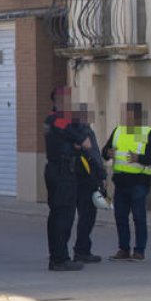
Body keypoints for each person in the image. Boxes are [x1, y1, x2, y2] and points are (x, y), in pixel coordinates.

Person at [103, 102, 151, 261]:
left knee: (139, 217)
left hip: (139, 182)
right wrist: (107, 153)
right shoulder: (118, 131)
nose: (126, 118)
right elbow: (105, 151)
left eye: (129, 115)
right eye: (124, 115)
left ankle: (139, 250)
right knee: (120, 217)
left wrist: (140, 158)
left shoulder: (146, 132)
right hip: (121, 182)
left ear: (137, 116)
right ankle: (123, 249)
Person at [44, 87, 91, 271]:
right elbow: (85, 142)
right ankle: (60, 258)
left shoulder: (51, 119)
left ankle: (58, 256)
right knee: (63, 216)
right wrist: (78, 141)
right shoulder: (60, 120)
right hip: (63, 173)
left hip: (56, 170)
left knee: (57, 215)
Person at [71, 103, 106, 264]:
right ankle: (82, 250)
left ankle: (80, 249)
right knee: (87, 216)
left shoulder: (71, 132)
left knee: (83, 215)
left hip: (77, 179)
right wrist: (101, 175)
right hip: (87, 179)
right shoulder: (84, 132)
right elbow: (93, 155)